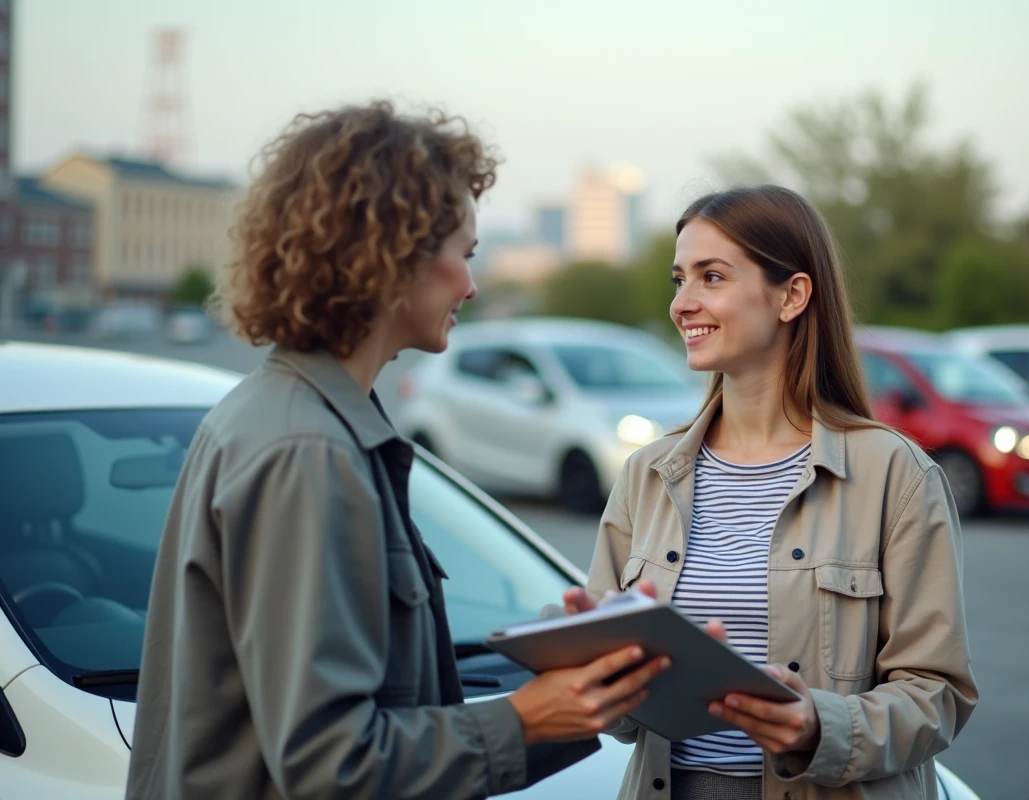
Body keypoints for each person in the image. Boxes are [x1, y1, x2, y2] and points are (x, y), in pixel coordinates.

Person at [125, 101, 669, 800]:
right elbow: (331, 766)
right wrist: (524, 719)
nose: (473, 286)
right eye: (464, 255)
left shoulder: (297, 419)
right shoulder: (306, 451)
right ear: (390, 252)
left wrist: (567, 660)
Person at [564, 185, 978, 799]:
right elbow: (623, 716)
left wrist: (819, 725)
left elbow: (937, 694)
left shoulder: (897, 475)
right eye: (679, 279)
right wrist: (598, 671)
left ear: (792, 295)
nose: (683, 304)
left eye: (712, 277)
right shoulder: (648, 474)